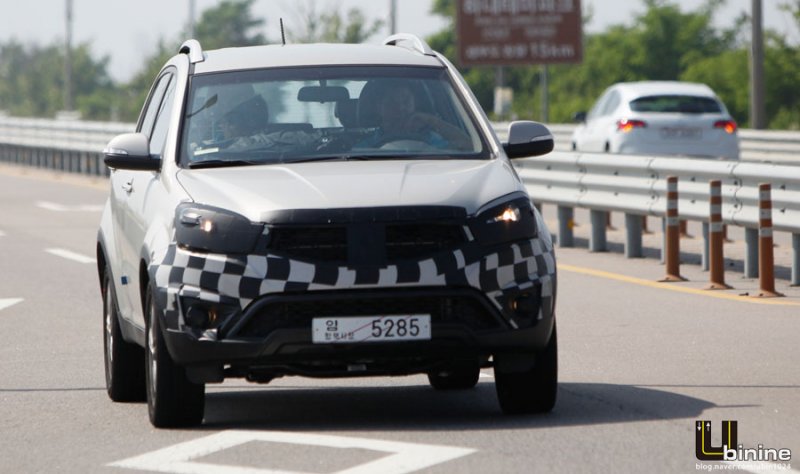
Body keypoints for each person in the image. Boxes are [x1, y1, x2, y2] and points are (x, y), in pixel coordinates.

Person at [362, 84, 471, 150]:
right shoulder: (365, 147)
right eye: (392, 102)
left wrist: (434, 121)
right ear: (379, 108)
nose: (401, 108)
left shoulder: (432, 139)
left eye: (406, 101)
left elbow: (469, 145)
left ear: (415, 103)